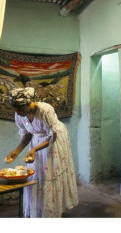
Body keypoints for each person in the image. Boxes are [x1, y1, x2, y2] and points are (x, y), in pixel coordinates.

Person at [4, 87, 79, 217]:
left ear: (28, 104)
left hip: (54, 140)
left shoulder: (45, 110)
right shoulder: (19, 114)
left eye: (20, 110)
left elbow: (52, 137)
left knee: (49, 172)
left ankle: (51, 211)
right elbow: (27, 135)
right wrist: (16, 151)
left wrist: (34, 149)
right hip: (37, 141)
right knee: (36, 174)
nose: (18, 113)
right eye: (15, 110)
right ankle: (37, 210)